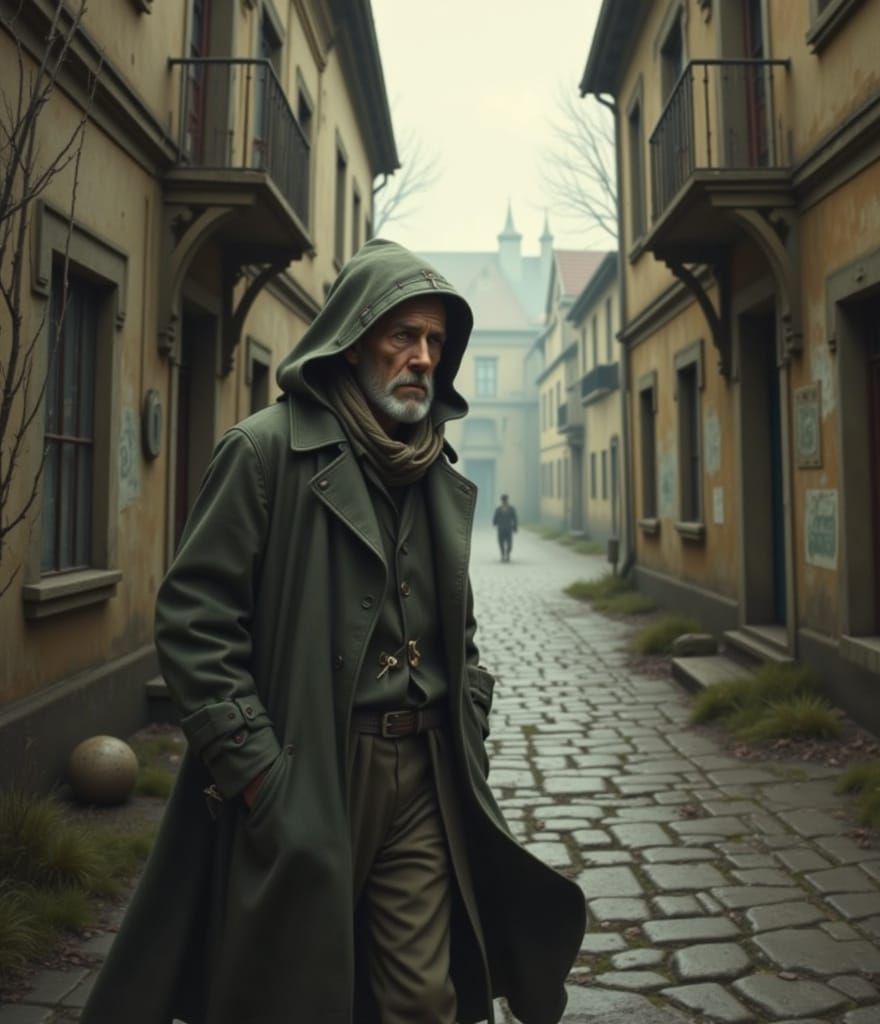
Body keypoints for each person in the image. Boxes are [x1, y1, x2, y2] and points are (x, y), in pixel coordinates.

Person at [81, 240, 585, 1024]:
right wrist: (259, 773)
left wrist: (470, 714)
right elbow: (192, 621)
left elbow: (463, 631)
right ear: (353, 341)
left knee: (423, 999)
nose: (423, 358)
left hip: (423, 770)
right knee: (291, 994)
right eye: (403, 336)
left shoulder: (434, 472)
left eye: (436, 343)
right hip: (308, 765)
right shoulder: (264, 452)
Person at [492, 493, 518, 562]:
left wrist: (515, 527)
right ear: (502, 500)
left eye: (505, 499)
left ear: (507, 500)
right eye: (503, 500)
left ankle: (508, 554)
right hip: (501, 529)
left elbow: (515, 518)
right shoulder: (498, 509)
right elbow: (495, 518)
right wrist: (494, 523)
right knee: (501, 543)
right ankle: (503, 555)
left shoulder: (511, 509)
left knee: (509, 544)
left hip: (508, 529)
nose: (504, 501)